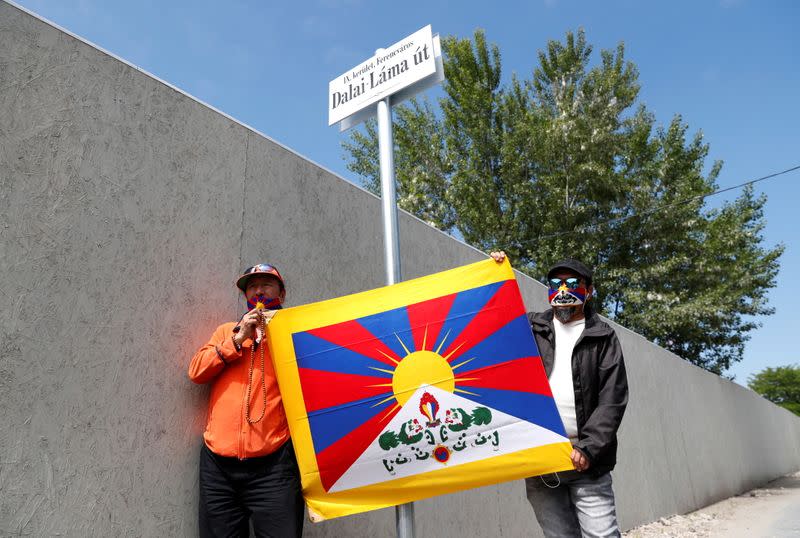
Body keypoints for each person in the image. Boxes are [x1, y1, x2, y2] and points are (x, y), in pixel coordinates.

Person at [491, 252, 628, 538]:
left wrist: (588, 448)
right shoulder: (531, 328)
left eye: (573, 283)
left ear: (588, 291)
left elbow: (612, 398)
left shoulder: (603, 336)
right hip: (542, 464)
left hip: (587, 465)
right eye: (556, 283)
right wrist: (496, 271)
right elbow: (492, 323)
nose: (563, 289)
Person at [188, 263, 303, 538]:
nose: (259, 291)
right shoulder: (226, 331)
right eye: (252, 287)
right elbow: (196, 372)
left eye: (266, 285)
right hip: (219, 468)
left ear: (282, 295)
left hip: (273, 467)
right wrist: (237, 341)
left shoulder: (294, 338)